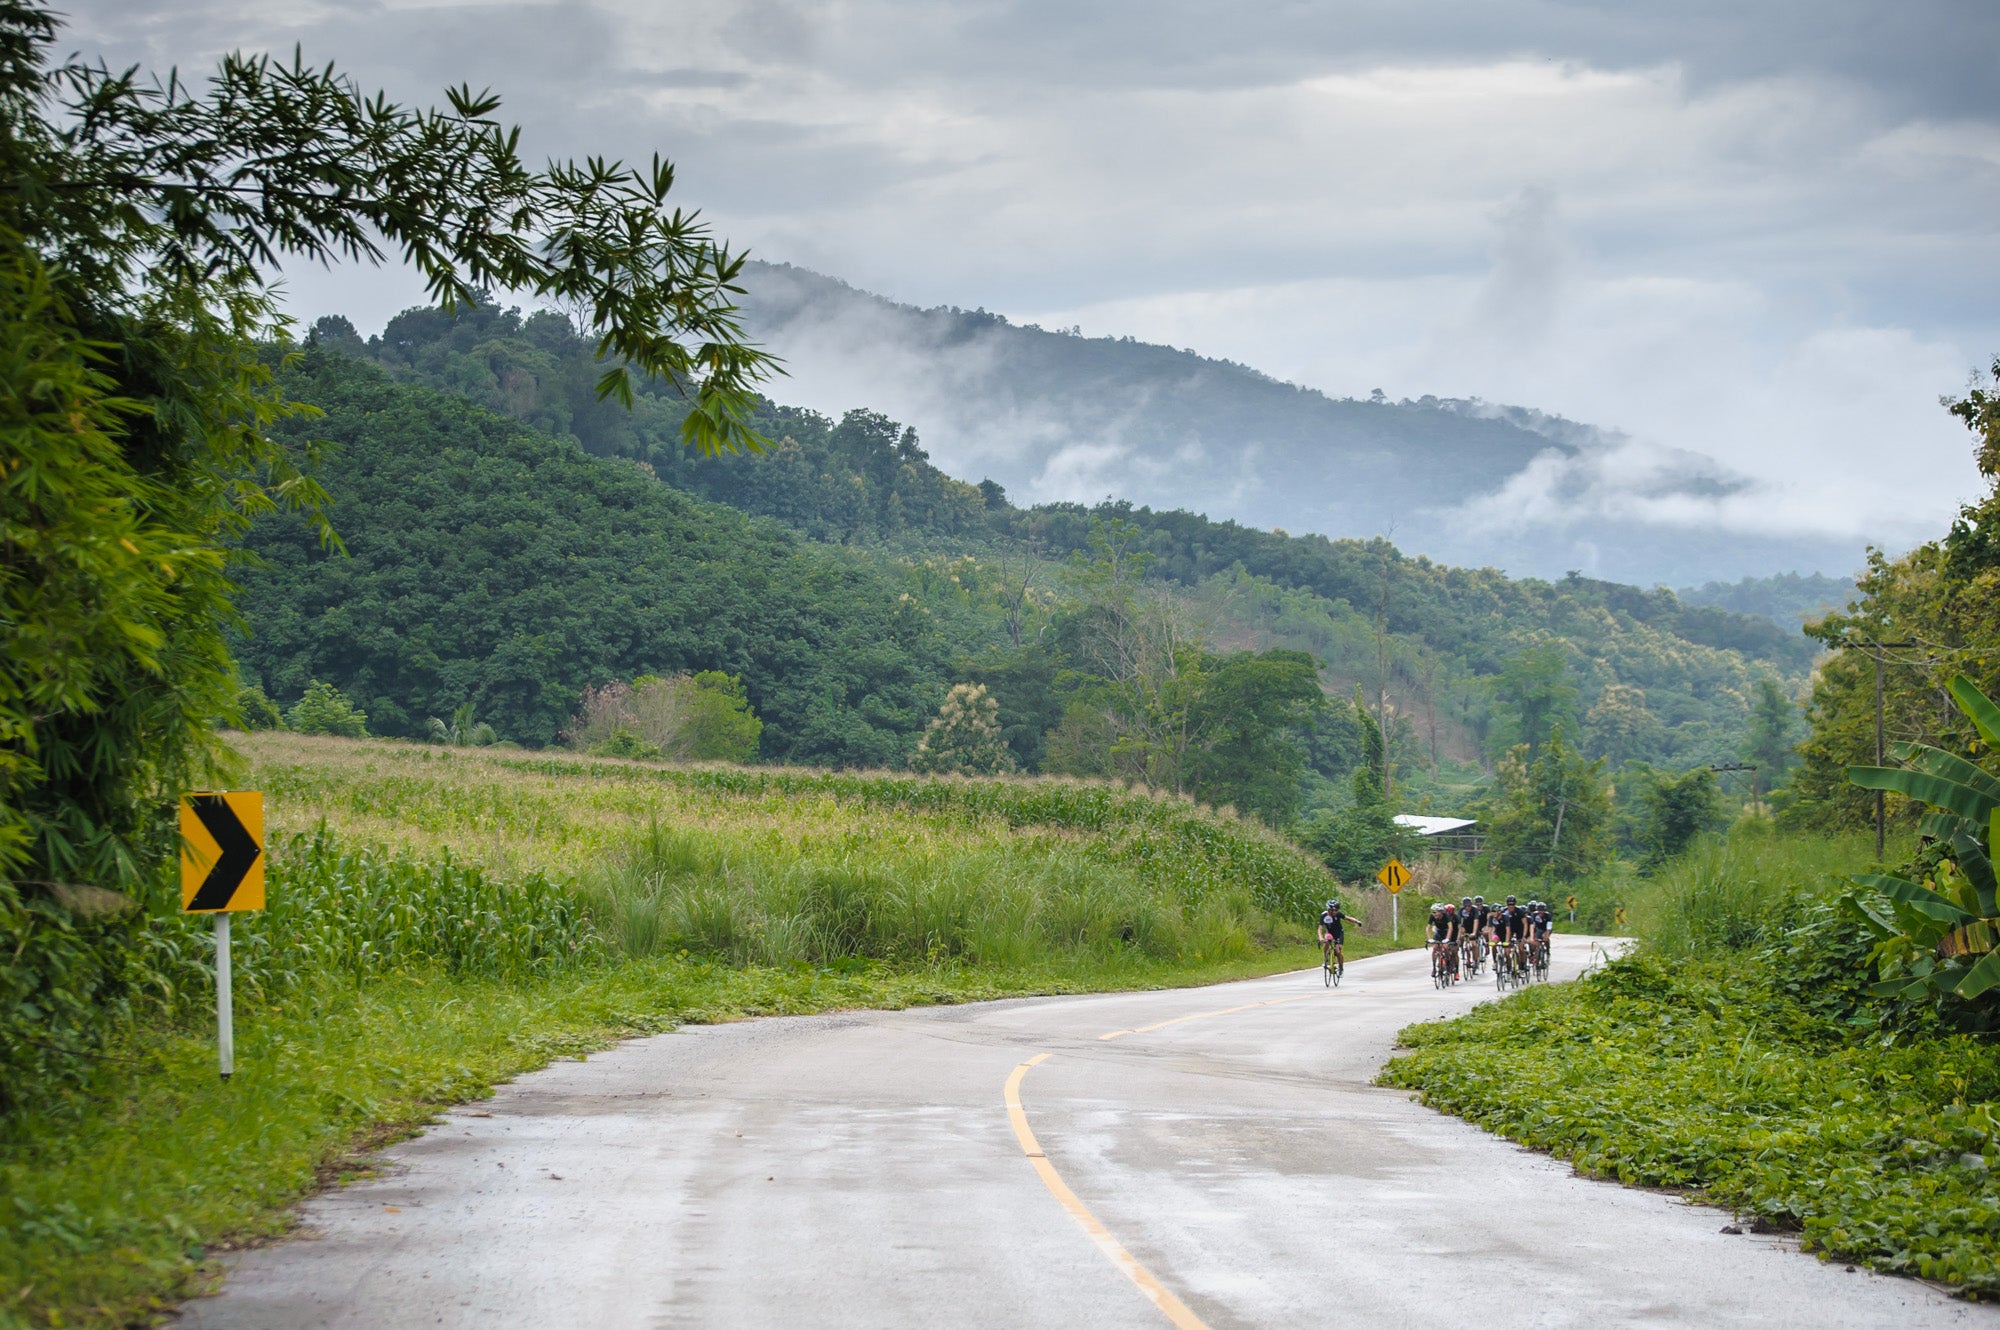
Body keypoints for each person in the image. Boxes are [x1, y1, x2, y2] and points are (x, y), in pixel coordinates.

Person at [1427, 901, 1458, 980]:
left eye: (1435, 912)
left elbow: (1450, 928)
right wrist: (1429, 938)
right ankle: (1434, 967)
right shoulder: (1432, 916)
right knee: (1435, 948)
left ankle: (1448, 963)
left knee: (1445, 946)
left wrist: (1447, 938)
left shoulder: (1446, 916)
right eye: (1433, 912)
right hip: (1438, 932)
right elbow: (1428, 928)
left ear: (1440, 912)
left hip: (1446, 931)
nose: (1434, 914)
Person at [1317, 898, 1346, 974]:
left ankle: (1341, 967)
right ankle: (1326, 960)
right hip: (1330, 933)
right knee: (1326, 941)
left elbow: (1348, 918)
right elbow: (1320, 928)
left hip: (1339, 933)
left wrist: (1357, 922)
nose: (1334, 912)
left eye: (1336, 910)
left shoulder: (1338, 914)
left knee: (1338, 951)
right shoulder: (1323, 915)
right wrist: (1320, 938)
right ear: (1328, 909)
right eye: (1332, 910)